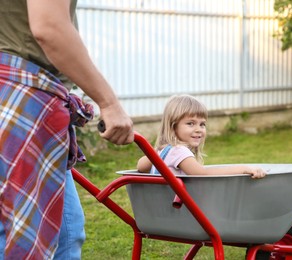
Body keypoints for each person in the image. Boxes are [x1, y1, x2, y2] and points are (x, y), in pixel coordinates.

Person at [0, 0, 134, 259]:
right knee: (17, 236)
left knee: (66, 234)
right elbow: (49, 27)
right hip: (21, 99)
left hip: (27, 100)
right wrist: (108, 102)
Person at [137, 95, 267, 178]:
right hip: (178, 209)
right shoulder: (178, 151)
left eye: (202, 124)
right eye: (190, 123)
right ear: (173, 126)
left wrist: (156, 153)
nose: (198, 129)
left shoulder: (163, 151)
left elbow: (140, 167)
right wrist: (243, 169)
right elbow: (202, 174)